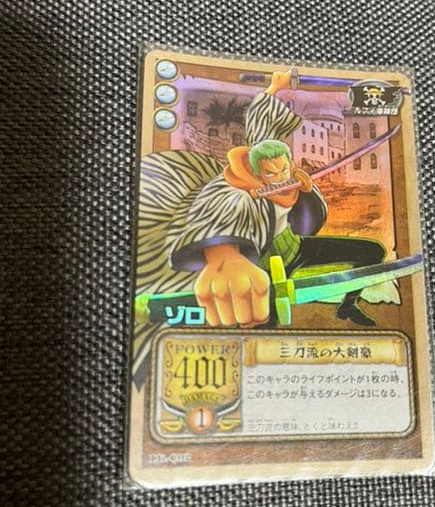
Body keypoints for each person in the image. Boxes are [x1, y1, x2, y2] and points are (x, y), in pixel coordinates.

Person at [132, 70, 396, 385]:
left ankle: (348, 306)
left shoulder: (291, 182)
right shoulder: (237, 188)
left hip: (295, 248)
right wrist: (224, 256)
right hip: (266, 264)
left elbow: (307, 223)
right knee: (259, 320)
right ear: (258, 172)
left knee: (371, 252)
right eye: (272, 173)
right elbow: (220, 203)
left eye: (285, 168)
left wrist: (306, 189)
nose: (280, 176)